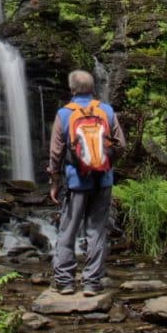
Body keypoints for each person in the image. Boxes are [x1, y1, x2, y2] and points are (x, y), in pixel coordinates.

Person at [47, 69, 125, 296]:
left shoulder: (64, 114)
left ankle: (65, 282)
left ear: (72, 89)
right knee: (96, 230)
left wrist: (55, 181)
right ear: (93, 88)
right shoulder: (107, 111)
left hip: (75, 181)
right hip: (103, 181)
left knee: (68, 230)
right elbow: (121, 144)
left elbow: (56, 152)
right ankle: (92, 282)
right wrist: (105, 161)